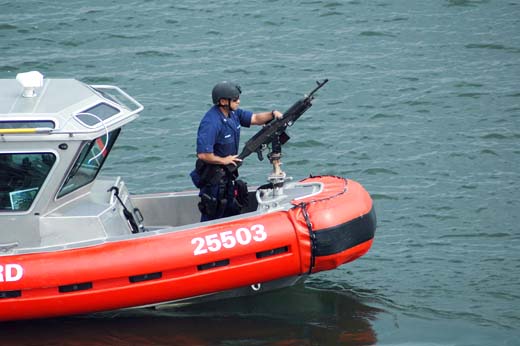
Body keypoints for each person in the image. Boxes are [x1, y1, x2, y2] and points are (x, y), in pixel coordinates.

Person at [190, 81, 283, 221]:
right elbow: (203, 154)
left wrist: (272, 114)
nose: (238, 101)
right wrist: (224, 160)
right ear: (223, 101)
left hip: (228, 176)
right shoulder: (211, 122)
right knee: (214, 211)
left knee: (231, 208)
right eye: (234, 99)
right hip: (213, 179)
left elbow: (255, 118)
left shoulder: (233, 114)